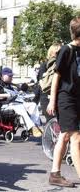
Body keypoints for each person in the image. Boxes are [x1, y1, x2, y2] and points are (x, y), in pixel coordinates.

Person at [46, 17, 80, 188]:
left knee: (64, 136)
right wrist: (52, 100)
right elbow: (56, 76)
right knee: (76, 137)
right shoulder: (66, 50)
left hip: (77, 98)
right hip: (65, 98)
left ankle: (55, 174)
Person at [0, 67, 42, 137]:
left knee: (33, 105)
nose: (11, 77)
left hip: (15, 103)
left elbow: (16, 94)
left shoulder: (10, 85)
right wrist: (6, 95)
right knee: (20, 107)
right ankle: (31, 127)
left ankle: (36, 126)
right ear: (3, 75)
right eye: (10, 76)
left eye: (12, 76)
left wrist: (23, 94)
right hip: (3, 105)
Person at [39, 43, 61, 122]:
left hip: (58, 97)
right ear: (51, 52)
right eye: (57, 52)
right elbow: (42, 83)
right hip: (47, 98)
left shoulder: (61, 64)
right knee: (51, 122)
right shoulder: (44, 65)